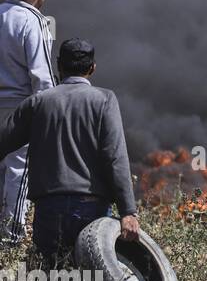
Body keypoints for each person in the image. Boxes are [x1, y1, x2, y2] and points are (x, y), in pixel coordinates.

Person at [0, 37, 138, 266]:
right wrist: (128, 211)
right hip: (91, 208)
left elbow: (3, 141)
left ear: (58, 65)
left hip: (48, 208)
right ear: (92, 68)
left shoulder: (39, 102)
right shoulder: (104, 100)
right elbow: (115, 157)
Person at [0, 0, 55, 242]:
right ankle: (11, 237)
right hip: (19, 108)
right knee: (18, 172)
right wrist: (52, 110)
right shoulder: (32, 21)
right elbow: (42, 75)